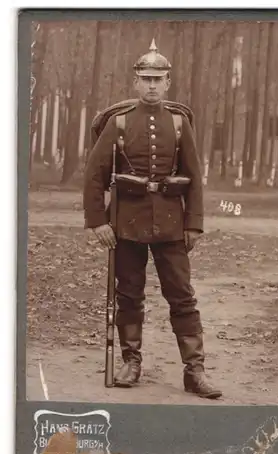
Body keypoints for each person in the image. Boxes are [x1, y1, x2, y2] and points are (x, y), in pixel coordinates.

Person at [83, 40, 222, 399]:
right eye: (145, 78)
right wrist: (98, 221)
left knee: (183, 297)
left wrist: (194, 223)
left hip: (173, 226)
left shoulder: (178, 123)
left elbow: (194, 175)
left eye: (158, 79)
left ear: (168, 82)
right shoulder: (118, 123)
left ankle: (195, 371)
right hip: (126, 224)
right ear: (135, 81)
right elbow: (94, 175)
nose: (151, 85)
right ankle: (131, 363)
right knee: (128, 295)